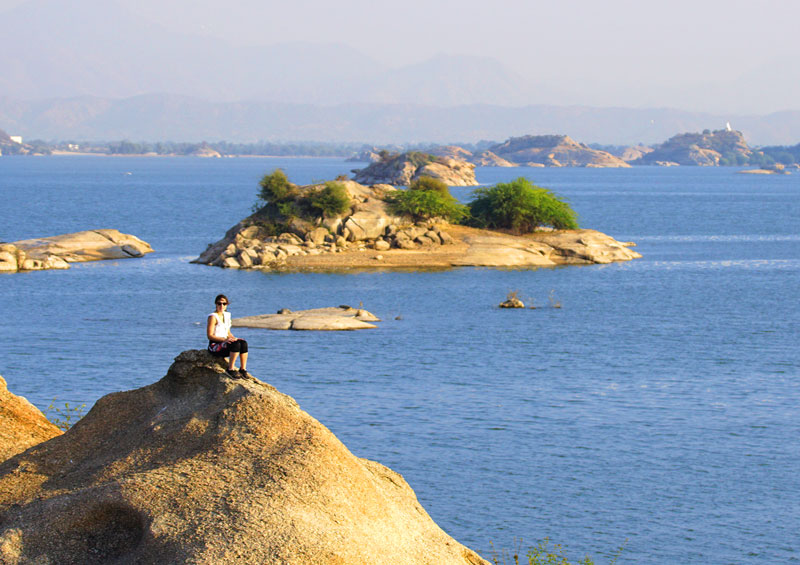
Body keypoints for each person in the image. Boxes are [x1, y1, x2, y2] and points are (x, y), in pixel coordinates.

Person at [207, 294, 249, 377]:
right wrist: (224, 340)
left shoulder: (227, 315)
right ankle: (230, 369)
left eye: (224, 304)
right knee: (235, 344)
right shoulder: (213, 317)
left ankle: (243, 369)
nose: (221, 306)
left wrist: (233, 338)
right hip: (215, 345)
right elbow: (210, 335)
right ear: (216, 304)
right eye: (219, 303)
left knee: (243, 343)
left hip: (225, 342)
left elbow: (228, 332)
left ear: (227, 305)